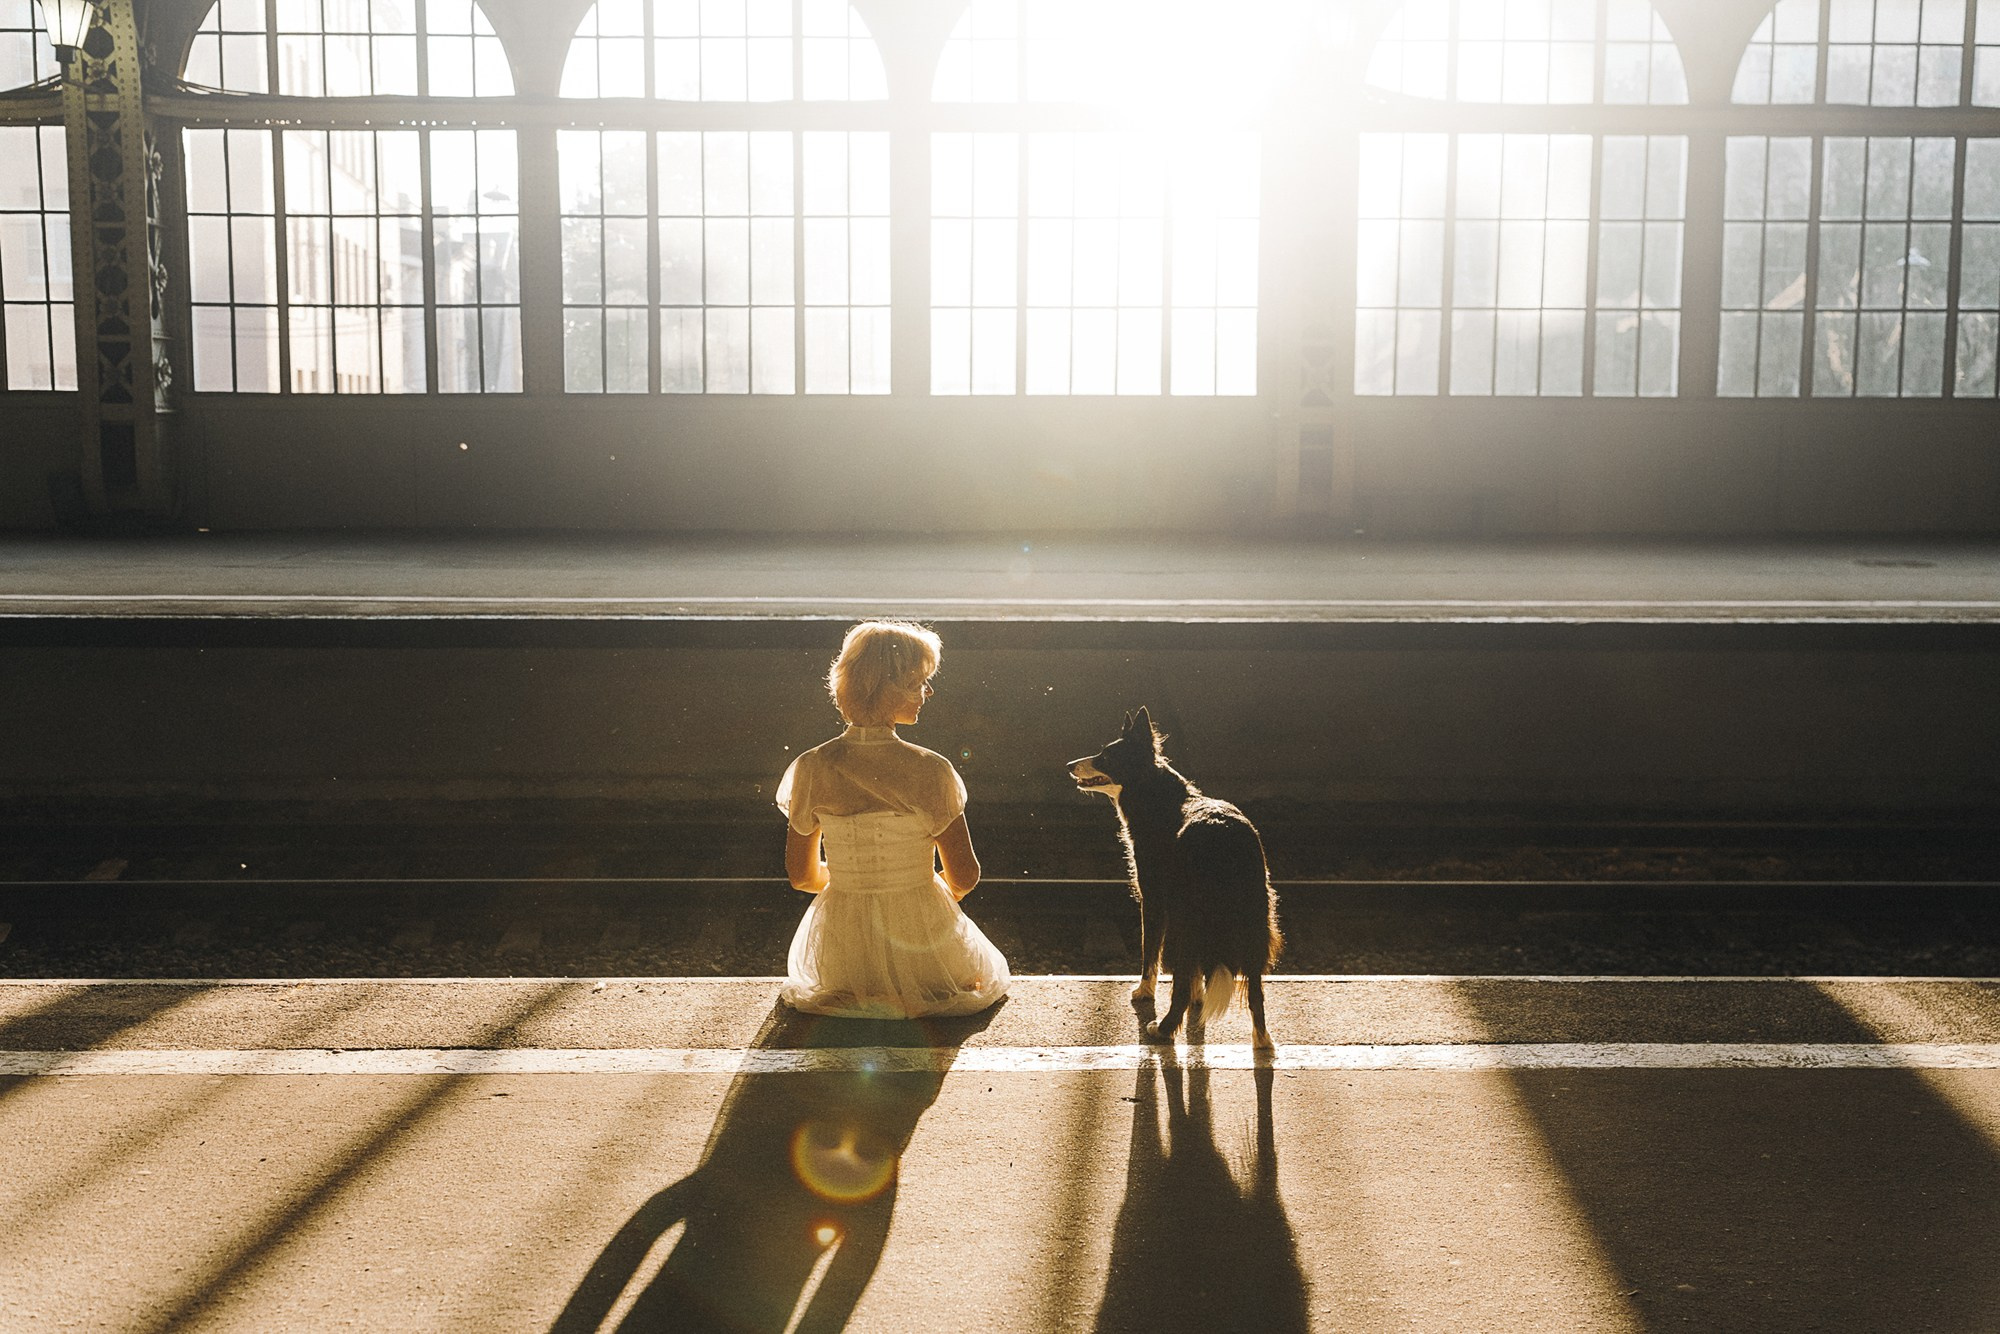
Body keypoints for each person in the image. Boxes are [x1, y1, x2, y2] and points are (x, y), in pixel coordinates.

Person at [775, 621, 1010, 1018]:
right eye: (919, 682)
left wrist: (857, 880)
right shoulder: (931, 770)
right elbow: (965, 876)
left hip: (842, 957)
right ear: (887, 689)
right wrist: (912, 893)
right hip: (926, 950)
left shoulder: (811, 767)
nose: (928, 692)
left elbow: (801, 877)